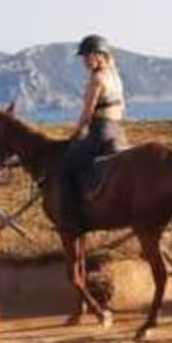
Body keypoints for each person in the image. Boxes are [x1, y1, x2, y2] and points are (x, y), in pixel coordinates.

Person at [60, 34, 130, 232]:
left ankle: (70, 216)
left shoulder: (97, 79)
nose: (84, 60)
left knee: (66, 165)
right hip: (118, 132)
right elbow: (122, 108)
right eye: (83, 57)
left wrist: (74, 134)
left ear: (100, 55)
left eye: (87, 56)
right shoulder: (115, 76)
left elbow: (87, 114)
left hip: (101, 131)